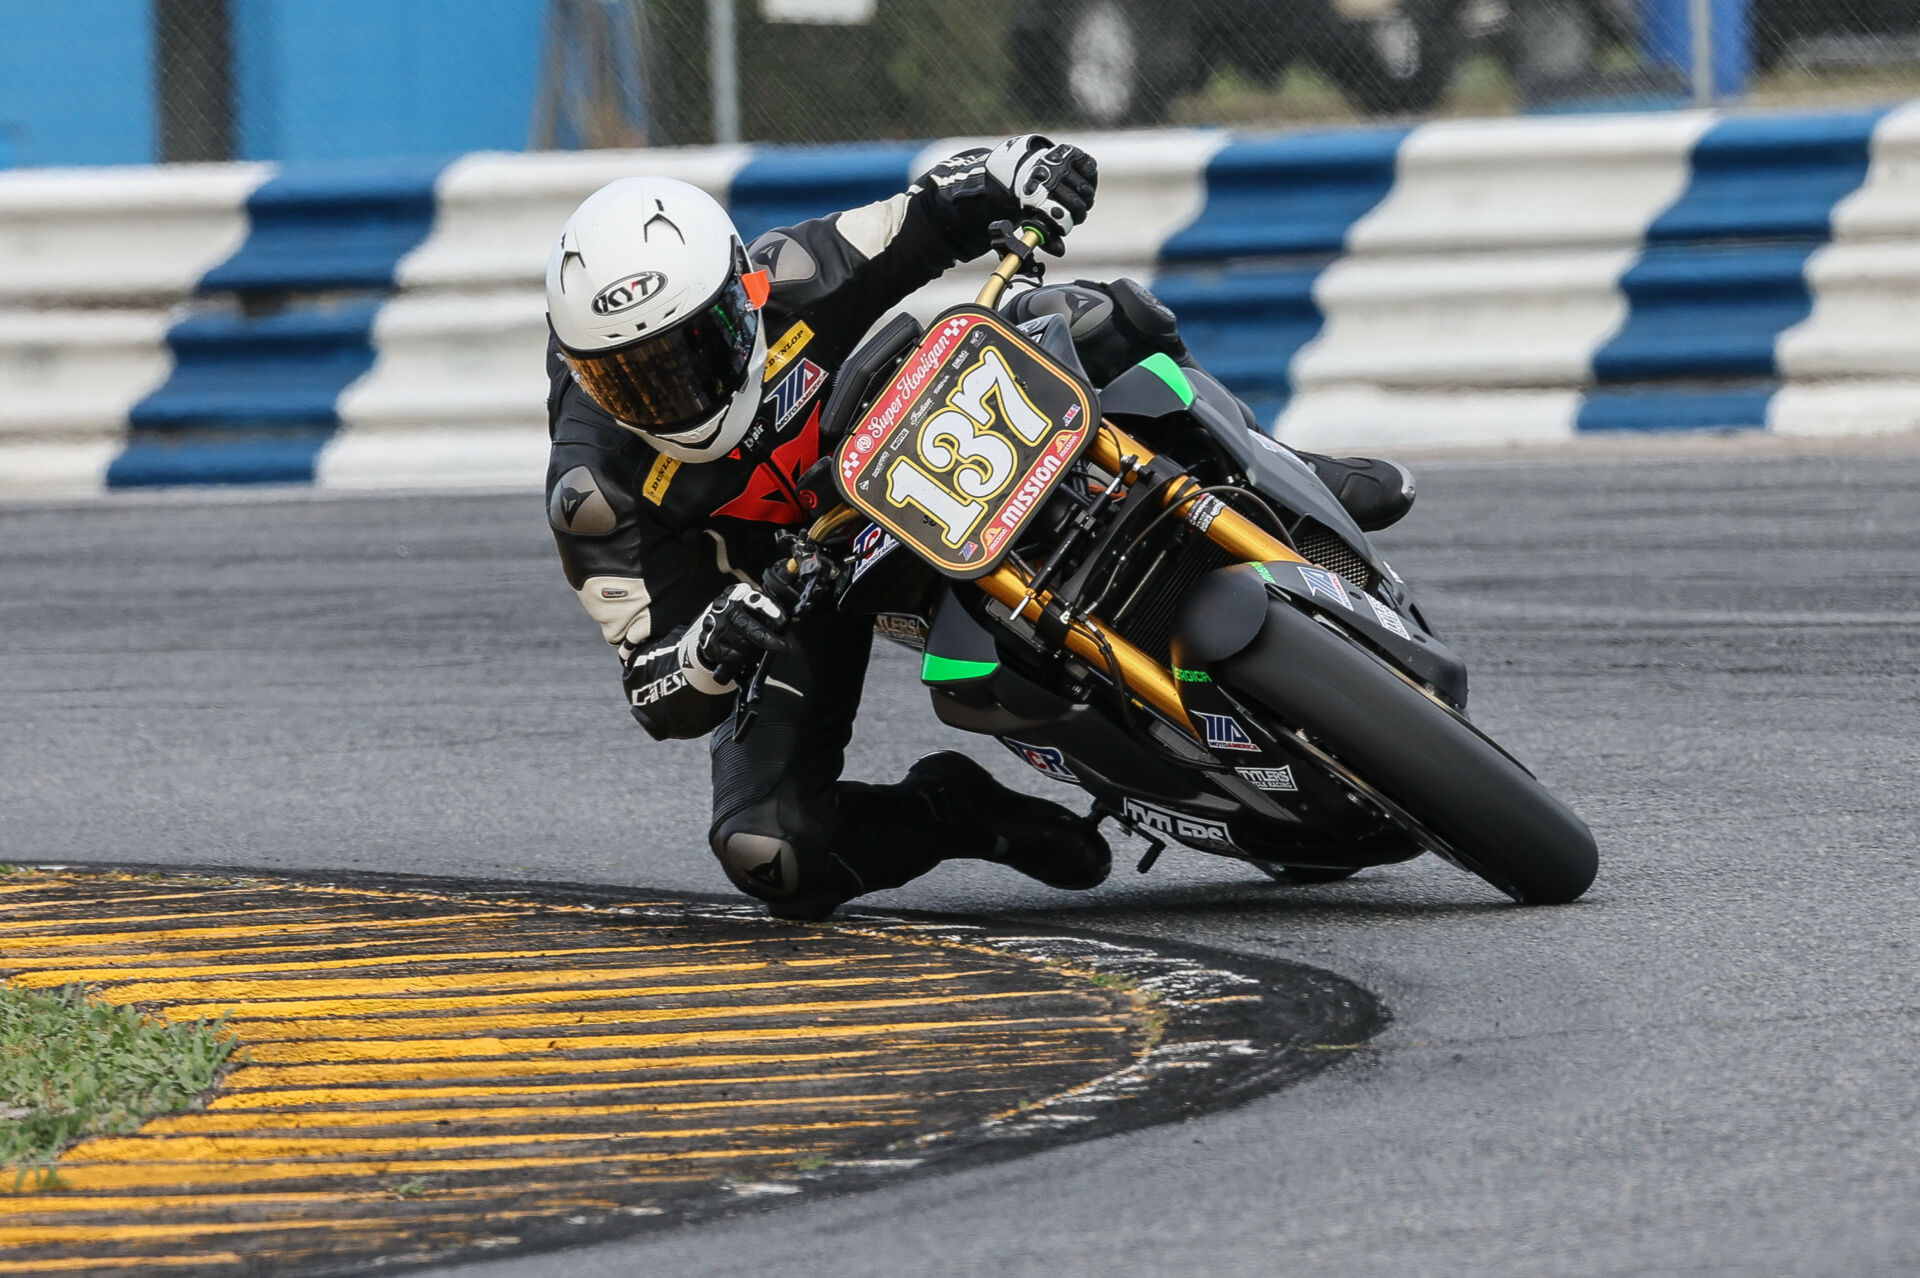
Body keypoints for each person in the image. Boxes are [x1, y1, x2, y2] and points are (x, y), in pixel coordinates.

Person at [542, 135, 1414, 920]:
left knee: (1105, 316)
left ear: (745, 289)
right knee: (767, 848)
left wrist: (1028, 171)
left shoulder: (802, 272)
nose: (678, 393)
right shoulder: (594, 488)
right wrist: (709, 646)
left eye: (695, 349)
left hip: (917, 429)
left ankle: (1281, 468)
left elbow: (938, 203)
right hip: (794, 582)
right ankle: (957, 812)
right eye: (635, 381)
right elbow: (653, 687)